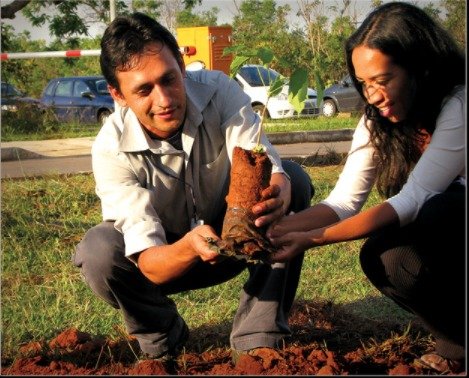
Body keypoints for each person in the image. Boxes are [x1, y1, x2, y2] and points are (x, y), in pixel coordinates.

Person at [73, 12, 313, 365]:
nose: (164, 99)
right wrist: (189, 247)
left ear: (182, 66)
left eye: (169, 79)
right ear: (117, 94)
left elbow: (262, 158)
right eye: (143, 90)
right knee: (99, 251)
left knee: (294, 178)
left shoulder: (220, 91)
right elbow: (150, 264)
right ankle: (162, 335)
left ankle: (258, 337)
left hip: (238, 239)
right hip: (167, 259)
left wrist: (280, 187)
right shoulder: (111, 148)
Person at [266, 2, 465, 374]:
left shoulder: (458, 102)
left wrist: (314, 239)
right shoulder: (377, 121)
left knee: (443, 211)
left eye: (383, 80)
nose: (372, 96)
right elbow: (343, 202)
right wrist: (272, 229)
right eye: (364, 83)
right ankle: (459, 340)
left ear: (418, 66)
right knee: (386, 258)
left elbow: (414, 199)